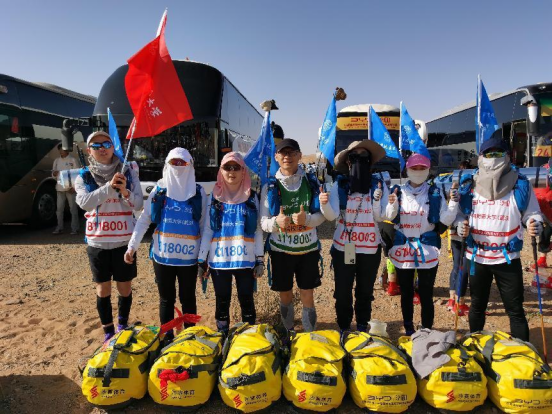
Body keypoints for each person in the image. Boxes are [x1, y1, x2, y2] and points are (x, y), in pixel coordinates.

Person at [456, 132, 543, 341]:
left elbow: (532, 213)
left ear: (508, 156)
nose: (493, 157)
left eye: (498, 153)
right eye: (488, 153)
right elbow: (460, 215)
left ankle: (522, 351)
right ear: (480, 157)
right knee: (477, 305)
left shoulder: (519, 184)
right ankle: (475, 347)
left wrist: (535, 224)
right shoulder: (470, 184)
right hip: (477, 258)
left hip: (507, 258)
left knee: (515, 309)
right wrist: (460, 227)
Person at [125, 148, 207, 342]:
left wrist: (204, 257)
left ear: (190, 165)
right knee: (166, 299)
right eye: (174, 162)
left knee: (188, 298)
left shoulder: (198, 192)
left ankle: (189, 337)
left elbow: (205, 225)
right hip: (163, 258)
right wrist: (132, 246)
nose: (178, 166)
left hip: (189, 259)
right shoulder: (159, 190)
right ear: (167, 164)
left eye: (182, 162)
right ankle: (167, 337)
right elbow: (144, 219)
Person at [319, 140, 398, 333]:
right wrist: (324, 203)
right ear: (347, 162)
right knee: (342, 292)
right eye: (354, 157)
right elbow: (331, 215)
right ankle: (344, 327)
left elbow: (384, 216)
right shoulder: (340, 185)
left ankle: (362, 326)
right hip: (345, 247)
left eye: (364, 157)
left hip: (369, 249)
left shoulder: (378, 185)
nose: (359, 161)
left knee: (365, 292)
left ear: (370, 161)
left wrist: (393, 204)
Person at [75, 131, 143, 342]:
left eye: (106, 144)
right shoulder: (83, 176)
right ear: (89, 151)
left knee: (125, 287)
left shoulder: (128, 172)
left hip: (124, 241)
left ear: (114, 147)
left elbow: (138, 204)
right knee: (103, 289)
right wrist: (108, 187)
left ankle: (122, 324)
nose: (102, 149)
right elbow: (84, 203)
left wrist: (125, 192)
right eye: (96, 146)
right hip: (97, 242)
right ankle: (108, 332)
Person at [389, 153, 459, 336]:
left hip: (427, 248)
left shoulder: (435, 192)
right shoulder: (398, 192)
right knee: (406, 292)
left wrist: (453, 203)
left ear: (428, 170)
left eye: (422, 168)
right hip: (404, 248)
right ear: (407, 170)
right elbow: (388, 216)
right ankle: (408, 328)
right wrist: (391, 205)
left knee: (426, 292)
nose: (418, 171)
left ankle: (427, 330)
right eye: (414, 168)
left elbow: (445, 219)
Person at [261, 138, 325, 333]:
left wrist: (308, 220)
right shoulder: (269, 186)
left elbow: (323, 216)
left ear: (299, 156)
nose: (287, 156)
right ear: (276, 157)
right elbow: (263, 223)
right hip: (281, 251)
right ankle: (288, 332)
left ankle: (309, 335)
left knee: (307, 295)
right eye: (283, 153)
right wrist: (276, 223)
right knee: (285, 295)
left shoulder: (311, 182)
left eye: (291, 153)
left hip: (308, 250)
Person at [197, 152, 264, 335]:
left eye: (236, 167)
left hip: (245, 260)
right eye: (227, 167)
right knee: (222, 299)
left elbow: (257, 230)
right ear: (221, 170)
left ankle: (248, 337)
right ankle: (223, 334)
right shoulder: (214, 197)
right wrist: (202, 260)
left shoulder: (252, 197)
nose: (232, 172)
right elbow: (208, 230)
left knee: (246, 298)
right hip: (220, 261)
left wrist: (260, 259)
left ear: (243, 171)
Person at [448, 160, 471, 314]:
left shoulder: (454, 189)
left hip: (454, 232)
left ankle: (452, 299)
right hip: (467, 233)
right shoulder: (472, 191)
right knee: (464, 268)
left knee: (457, 266)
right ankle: (460, 303)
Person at [52, 143, 80, 234]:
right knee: (59, 209)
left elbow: (78, 175)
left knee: (73, 209)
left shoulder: (73, 160)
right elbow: (53, 174)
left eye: (63, 150)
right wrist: (54, 174)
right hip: (60, 188)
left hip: (70, 189)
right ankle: (59, 227)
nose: (61, 151)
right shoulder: (56, 160)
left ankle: (75, 228)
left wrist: (74, 187)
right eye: (59, 150)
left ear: (67, 150)